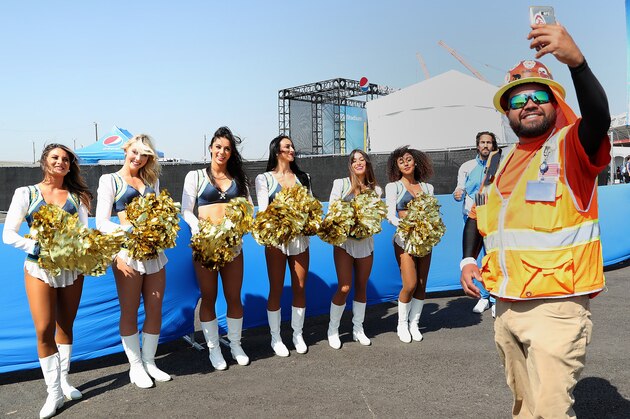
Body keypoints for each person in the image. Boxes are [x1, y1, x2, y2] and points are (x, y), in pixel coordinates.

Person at [459, 23, 610, 417]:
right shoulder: (501, 162)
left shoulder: (571, 147)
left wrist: (577, 64)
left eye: (538, 95)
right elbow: (480, 216)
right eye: (517, 99)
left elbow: (598, 118)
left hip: (557, 309)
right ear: (506, 112)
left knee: (550, 412)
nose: (528, 104)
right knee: (525, 410)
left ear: (554, 103)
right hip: (506, 307)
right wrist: (468, 260)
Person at [3, 144, 92, 418]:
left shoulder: (79, 197)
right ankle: (53, 392)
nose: (61, 162)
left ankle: (63, 381)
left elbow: (84, 233)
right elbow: (8, 234)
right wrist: (37, 247)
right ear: (44, 161)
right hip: (39, 268)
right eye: (55, 157)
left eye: (66, 159)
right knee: (43, 329)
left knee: (65, 325)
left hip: (71, 269)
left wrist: (90, 251)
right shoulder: (26, 193)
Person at [95, 134, 171, 389]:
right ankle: (135, 366)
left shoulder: (152, 179)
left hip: (154, 252)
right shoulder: (110, 180)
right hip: (127, 253)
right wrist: (129, 231)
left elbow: (159, 213)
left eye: (145, 154)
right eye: (135, 152)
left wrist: (160, 228)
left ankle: (149, 361)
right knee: (129, 310)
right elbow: (101, 222)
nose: (138, 158)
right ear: (126, 150)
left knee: (155, 308)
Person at [181, 127, 251, 369]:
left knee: (233, 296)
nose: (222, 152)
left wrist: (239, 228)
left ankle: (235, 344)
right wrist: (198, 228)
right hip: (205, 247)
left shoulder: (239, 180)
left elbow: (248, 210)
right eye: (218, 147)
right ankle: (214, 349)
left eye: (227, 148)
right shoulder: (195, 176)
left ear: (232, 153)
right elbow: (187, 211)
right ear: (211, 148)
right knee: (209, 296)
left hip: (232, 247)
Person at [255, 135, 312, 356]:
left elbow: (309, 207)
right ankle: (276, 337)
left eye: (292, 146)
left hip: (299, 239)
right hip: (276, 240)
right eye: (287, 146)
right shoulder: (264, 178)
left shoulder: (303, 177)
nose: (292, 149)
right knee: (276, 288)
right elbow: (263, 211)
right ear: (277, 151)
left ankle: (297, 334)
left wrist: (307, 221)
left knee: (299, 286)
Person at [326, 150, 382, 349]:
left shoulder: (376, 190)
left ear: (367, 163)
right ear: (350, 165)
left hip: (365, 243)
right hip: (344, 242)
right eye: (354, 160)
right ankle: (333, 329)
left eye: (361, 160)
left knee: (362, 286)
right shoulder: (340, 184)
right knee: (345, 287)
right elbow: (333, 210)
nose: (358, 163)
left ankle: (358, 329)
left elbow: (376, 218)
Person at [385, 146, 434, 343]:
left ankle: (414, 324)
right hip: (404, 239)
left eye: (408, 159)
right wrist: (405, 224)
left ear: (415, 162)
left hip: (425, 240)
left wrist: (428, 227)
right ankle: (402, 324)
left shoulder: (428, 188)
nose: (405, 163)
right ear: (396, 166)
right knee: (410, 283)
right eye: (401, 161)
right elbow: (390, 214)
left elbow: (431, 213)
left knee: (422, 285)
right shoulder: (393, 187)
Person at [452, 131, 499, 316]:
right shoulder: (467, 166)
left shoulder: (499, 165)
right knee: (474, 259)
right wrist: (458, 193)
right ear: (477, 145)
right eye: (482, 142)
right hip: (471, 218)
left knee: (492, 258)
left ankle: (493, 298)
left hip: (493, 218)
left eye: (489, 142)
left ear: (493, 145)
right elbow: (459, 187)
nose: (486, 145)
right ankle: (484, 297)